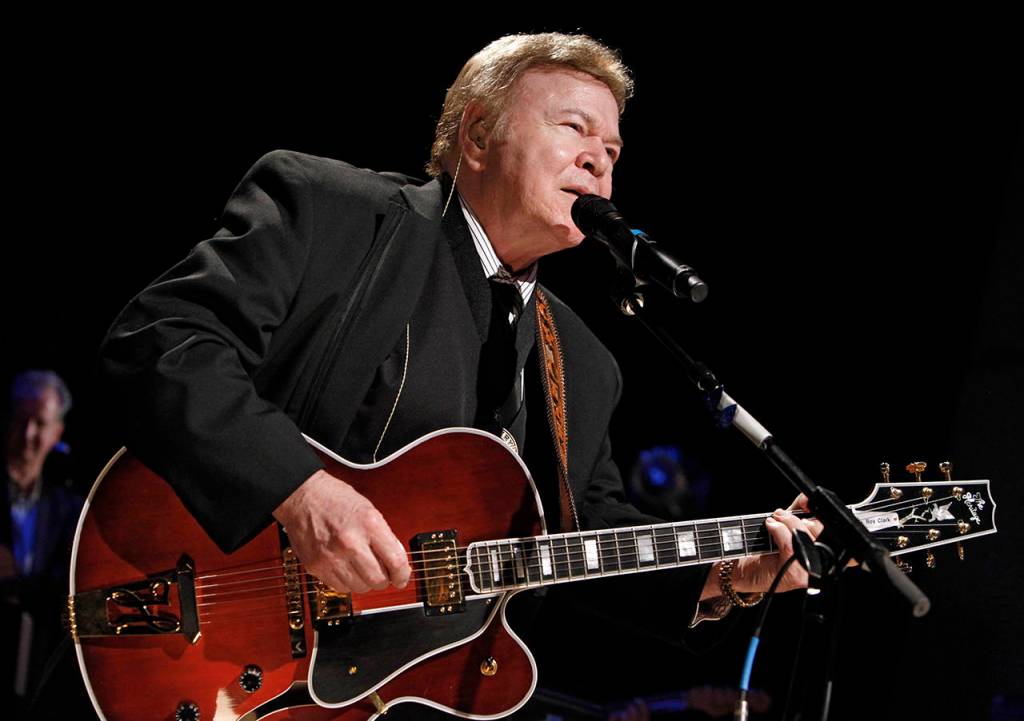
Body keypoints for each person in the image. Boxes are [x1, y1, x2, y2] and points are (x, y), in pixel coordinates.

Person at [98, 32, 819, 715]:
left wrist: (727, 573)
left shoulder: (585, 365)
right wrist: (298, 490)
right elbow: (161, 339)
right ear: (476, 136)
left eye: (611, 149)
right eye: (573, 128)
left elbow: (586, 544)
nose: (599, 161)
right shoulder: (332, 211)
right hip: (197, 627)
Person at [1, 370, 83, 717]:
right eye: (21, 420)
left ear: (57, 433)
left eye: (40, 423)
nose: (28, 434)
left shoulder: (68, 507)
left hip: (33, 671)